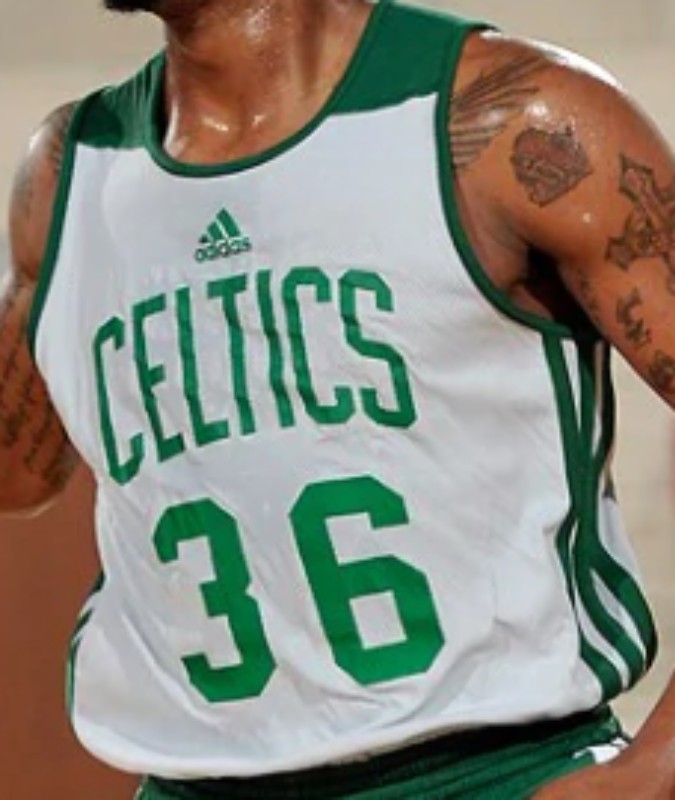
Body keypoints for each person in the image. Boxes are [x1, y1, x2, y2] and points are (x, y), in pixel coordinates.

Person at [3, 0, 675, 796]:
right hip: (193, 780)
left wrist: (651, 772)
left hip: (489, 771)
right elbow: (18, 477)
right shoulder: (69, 172)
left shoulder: (511, 121)